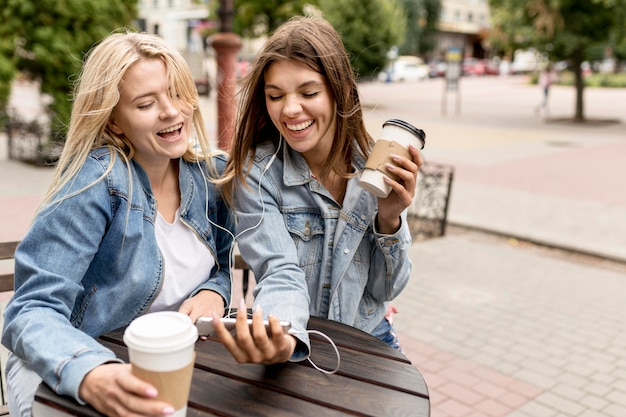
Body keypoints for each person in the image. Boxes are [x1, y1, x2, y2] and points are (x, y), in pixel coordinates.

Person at [1, 31, 235, 417]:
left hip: (162, 369)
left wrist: (216, 291)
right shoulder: (95, 184)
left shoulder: (210, 176)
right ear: (114, 122)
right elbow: (31, 309)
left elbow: (223, 265)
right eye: (146, 104)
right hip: (66, 371)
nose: (172, 111)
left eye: (177, 92)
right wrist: (92, 372)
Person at [214, 16, 423, 365]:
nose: (290, 109)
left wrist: (390, 219)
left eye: (308, 92)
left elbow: (385, 291)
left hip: (370, 339)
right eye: (275, 95)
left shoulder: (377, 165)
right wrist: (282, 336)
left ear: (337, 90)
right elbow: (278, 270)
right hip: (295, 342)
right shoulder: (258, 173)